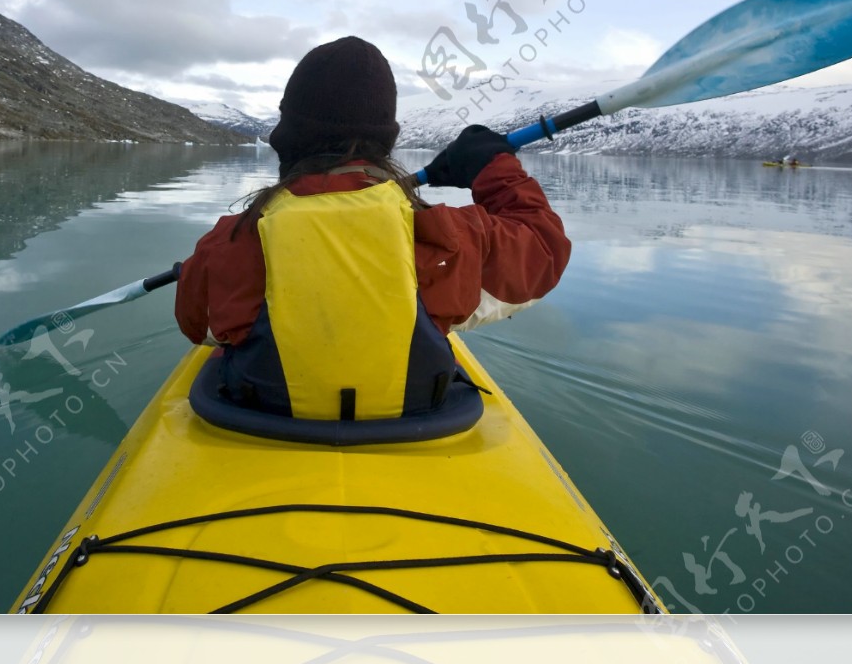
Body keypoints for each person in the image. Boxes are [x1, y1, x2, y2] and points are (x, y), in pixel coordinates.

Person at [174, 36, 570, 423]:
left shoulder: (228, 243)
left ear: (289, 137)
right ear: (384, 141)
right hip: (418, 420)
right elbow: (545, 248)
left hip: (262, 419)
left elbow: (197, 325)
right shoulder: (447, 238)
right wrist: (493, 168)